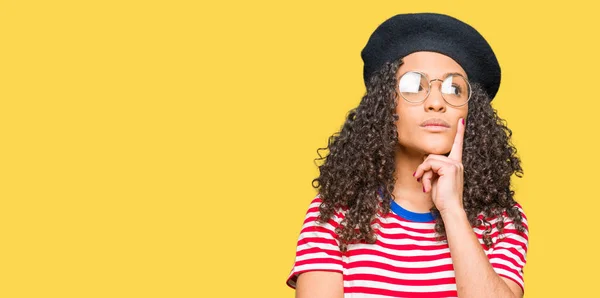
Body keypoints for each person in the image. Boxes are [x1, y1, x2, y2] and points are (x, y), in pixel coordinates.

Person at [285, 13, 529, 298]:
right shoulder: (334, 214)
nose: (437, 102)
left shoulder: (500, 221)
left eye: (453, 88)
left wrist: (452, 211)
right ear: (386, 105)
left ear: (471, 112)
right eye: (415, 85)